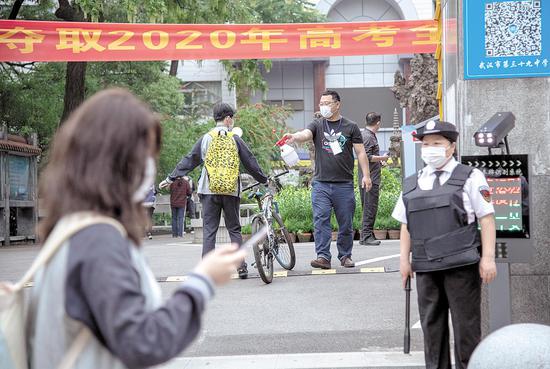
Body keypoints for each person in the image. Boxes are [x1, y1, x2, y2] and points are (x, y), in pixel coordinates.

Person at [30, 88, 246, 369]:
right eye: (144, 154)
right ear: (116, 161)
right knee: (232, 228)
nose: (149, 166)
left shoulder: (74, 229)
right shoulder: (99, 242)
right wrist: (201, 282)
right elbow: (142, 342)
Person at [391, 119, 497, 369]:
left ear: (451, 147)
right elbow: (406, 224)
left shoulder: (470, 176)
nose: (430, 149)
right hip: (426, 266)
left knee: (466, 328)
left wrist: (488, 258)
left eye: (436, 143)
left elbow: (487, 218)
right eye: (425, 144)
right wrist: (404, 261)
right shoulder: (412, 182)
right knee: (432, 327)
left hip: (461, 264)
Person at [159, 102, 268, 279]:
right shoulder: (235, 138)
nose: (232, 121)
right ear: (227, 119)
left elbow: (190, 160)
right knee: (234, 229)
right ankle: (241, 267)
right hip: (231, 191)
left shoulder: (206, 138)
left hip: (209, 191)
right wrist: (263, 179)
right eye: (232, 118)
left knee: (210, 230)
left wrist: (171, 178)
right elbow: (250, 161)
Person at [283, 90, 372, 269]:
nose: (323, 106)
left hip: (344, 184)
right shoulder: (317, 124)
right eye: (321, 103)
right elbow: (306, 134)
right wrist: (294, 137)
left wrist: (367, 176)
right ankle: (323, 256)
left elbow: (361, 152)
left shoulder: (350, 126)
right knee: (321, 219)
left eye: (327, 103)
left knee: (346, 223)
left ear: (337, 104)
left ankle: (345, 255)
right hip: (321, 183)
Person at [358, 112, 389, 246]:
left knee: (368, 207)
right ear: (378, 123)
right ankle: (366, 237)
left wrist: (379, 162)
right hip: (370, 179)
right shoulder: (368, 137)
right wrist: (383, 158)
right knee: (370, 207)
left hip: (368, 177)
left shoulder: (366, 135)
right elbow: (368, 157)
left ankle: (368, 234)